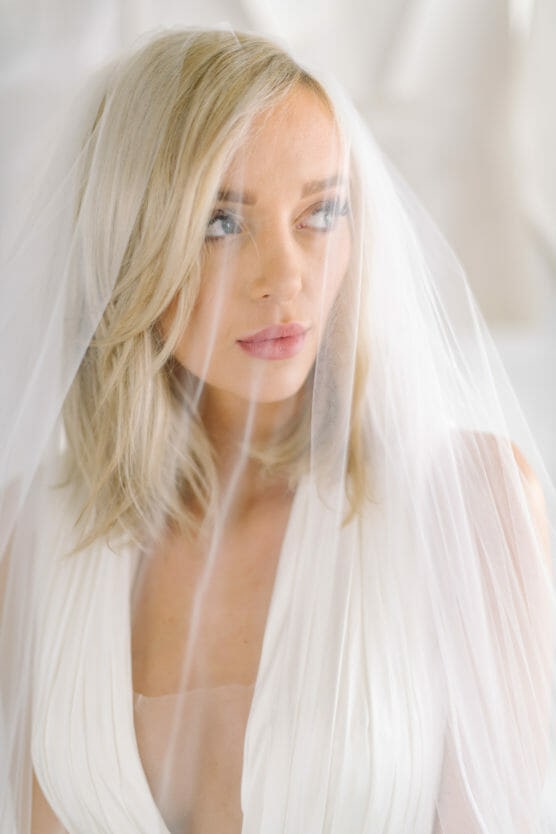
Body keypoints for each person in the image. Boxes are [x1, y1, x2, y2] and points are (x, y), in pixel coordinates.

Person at [0, 28, 554, 834]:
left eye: (322, 212)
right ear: (129, 244)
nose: (287, 277)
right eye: (222, 223)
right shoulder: (32, 537)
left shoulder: (471, 505)